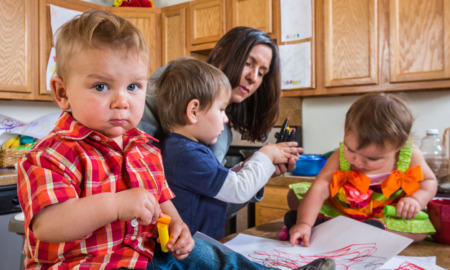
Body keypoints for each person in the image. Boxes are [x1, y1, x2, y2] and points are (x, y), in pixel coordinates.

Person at [15, 10, 300, 270]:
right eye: (101, 86)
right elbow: (47, 225)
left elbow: (162, 198)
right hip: (84, 264)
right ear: (62, 92)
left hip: (146, 258)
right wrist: (115, 205)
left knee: (209, 255)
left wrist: (178, 225)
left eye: (134, 86)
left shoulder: (145, 148)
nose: (122, 101)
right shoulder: (50, 154)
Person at [138, 26, 299, 218]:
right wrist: (259, 163)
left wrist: (256, 172)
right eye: (248, 63)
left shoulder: (221, 135)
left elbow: (213, 202)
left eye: (262, 73)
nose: (253, 77)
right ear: (220, 55)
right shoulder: (177, 82)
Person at [153, 57, 302, 240]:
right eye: (222, 109)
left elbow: (218, 181)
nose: (226, 118)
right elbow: (238, 190)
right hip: (193, 252)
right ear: (193, 111)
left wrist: (247, 166)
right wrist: (266, 155)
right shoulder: (187, 154)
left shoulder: (181, 148)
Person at [282, 93, 438, 247]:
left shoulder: (409, 155)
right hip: (343, 211)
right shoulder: (340, 155)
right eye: (351, 150)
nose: (357, 161)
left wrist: (416, 199)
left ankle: (369, 230)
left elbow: (429, 181)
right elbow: (320, 188)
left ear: (399, 146)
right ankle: (317, 224)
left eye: (372, 158)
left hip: (385, 216)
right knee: (295, 195)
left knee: (421, 232)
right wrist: (304, 223)